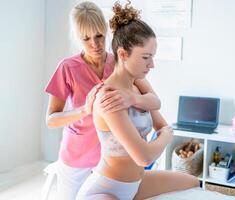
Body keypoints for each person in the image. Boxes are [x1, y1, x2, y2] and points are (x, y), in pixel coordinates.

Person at [76, 2, 199, 200]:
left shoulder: (138, 83)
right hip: (105, 190)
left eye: (152, 57)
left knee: (193, 182)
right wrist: (167, 136)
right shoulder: (109, 97)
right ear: (123, 54)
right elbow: (144, 157)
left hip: (136, 183)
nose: (152, 64)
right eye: (146, 57)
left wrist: (134, 99)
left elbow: (158, 109)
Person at [44, 1, 161, 199]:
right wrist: (83, 111)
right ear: (77, 38)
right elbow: (51, 119)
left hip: (109, 160)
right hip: (76, 157)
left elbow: (153, 99)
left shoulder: (119, 61)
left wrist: (131, 98)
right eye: (86, 39)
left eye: (99, 36)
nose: (95, 44)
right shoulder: (67, 68)